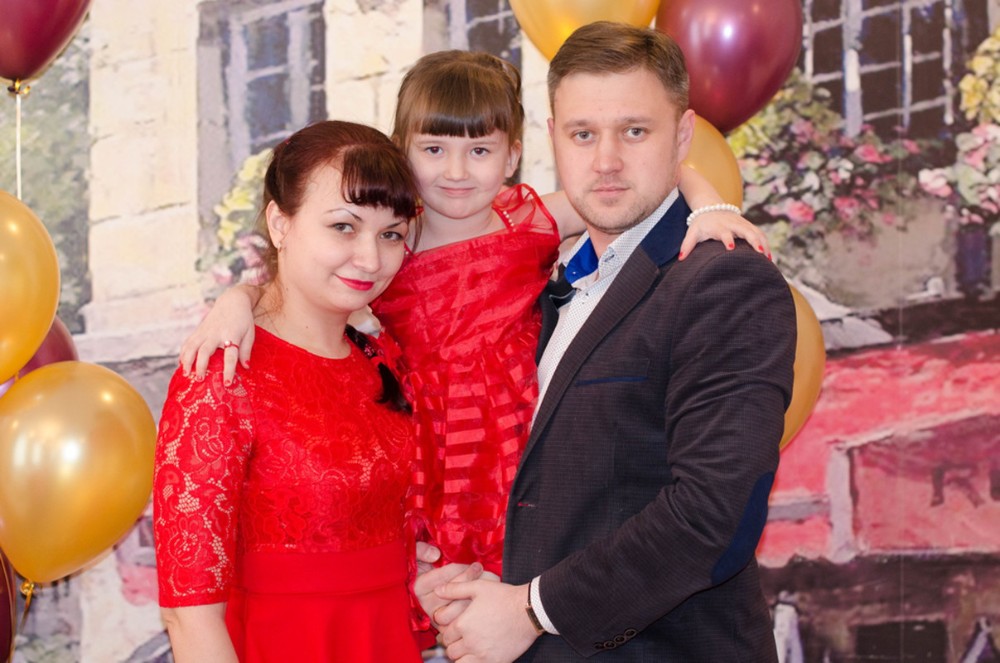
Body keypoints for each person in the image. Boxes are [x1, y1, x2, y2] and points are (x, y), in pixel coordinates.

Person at [180, 50, 769, 586]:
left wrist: (710, 209)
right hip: (434, 445)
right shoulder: (392, 241)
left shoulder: (529, 220)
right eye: (434, 150)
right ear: (403, 150)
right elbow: (304, 287)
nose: (456, 172)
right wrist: (238, 300)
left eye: (479, 151)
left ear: (512, 155)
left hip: (523, 428)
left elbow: (667, 174)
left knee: (536, 568)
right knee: (448, 586)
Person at [418, 22, 797, 662]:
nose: (606, 161)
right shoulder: (542, 283)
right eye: (583, 134)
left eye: (635, 131)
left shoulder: (723, 278)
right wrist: (464, 580)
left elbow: (713, 516)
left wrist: (531, 610)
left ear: (682, 135)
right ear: (553, 139)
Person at [153, 120, 424, 662]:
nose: (371, 258)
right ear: (281, 223)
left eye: (391, 234)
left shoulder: (382, 358)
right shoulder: (224, 371)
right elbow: (189, 613)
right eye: (343, 227)